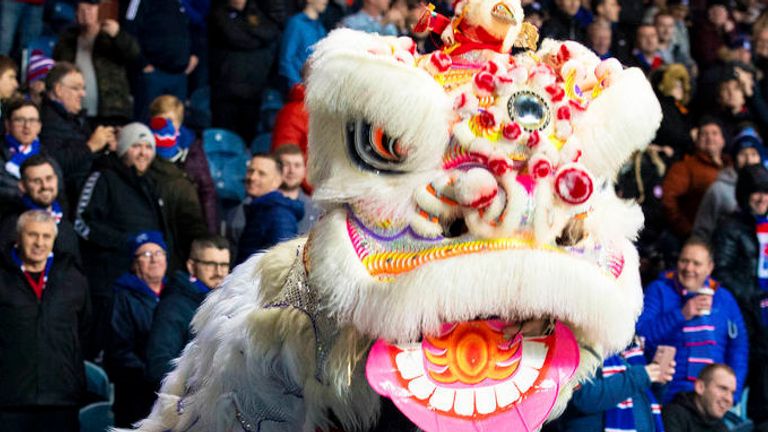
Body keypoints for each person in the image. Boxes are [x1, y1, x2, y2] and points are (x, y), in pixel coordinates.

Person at [75, 122, 170, 359]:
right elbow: (81, 223)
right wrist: (125, 243)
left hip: (141, 288)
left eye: (148, 146)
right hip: (107, 285)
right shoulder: (103, 177)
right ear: (123, 149)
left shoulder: (149, 184)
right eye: (136, 146)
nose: (143, 152)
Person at [0, 210, 89, 432]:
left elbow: (87, 329)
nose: (39, 243)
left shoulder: (73, 277)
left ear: (54, 240)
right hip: (9, 398)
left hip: (62, 397)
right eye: (32, 235)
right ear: (19, 238)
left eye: (46, 236)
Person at [636, 237, 749, 404]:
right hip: (669, 396)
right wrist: (681, 314)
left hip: (712, 400)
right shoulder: (658, 290)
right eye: (684, 261)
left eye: (696, 263)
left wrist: (733, 394)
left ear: (709, 268)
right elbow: (640, 336)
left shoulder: (724, 299)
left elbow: (738, 350)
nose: (689, 268)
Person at [145, 235, 230, 384]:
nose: (219, 272)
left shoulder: (225, 302)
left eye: (224, 265)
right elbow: (159, 364)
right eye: (210, 264)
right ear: (191, 266)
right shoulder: (174, 306)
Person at [106, 231, 168, 427]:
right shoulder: (122, 297)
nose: (154, 260)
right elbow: (119, 351)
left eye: (159, 253)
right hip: (136, 395)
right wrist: (153, 375)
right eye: (146, 255)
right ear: (134, 263)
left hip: (169, 395)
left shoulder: (175, 294)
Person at [53, 0, 141, 125]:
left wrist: (118, 35)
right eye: (81, 10)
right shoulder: (67, 38)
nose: (86, 13)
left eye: (90, 9)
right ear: (76, 13)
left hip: (111, 112)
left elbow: (134, 56)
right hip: (77, 111)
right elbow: (57, 67)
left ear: (99, 10)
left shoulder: (112, 35)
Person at [39, 62, 117, 202]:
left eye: (83, 88)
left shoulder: (74, 118)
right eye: (76, 88)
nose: (83, 94)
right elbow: (54, 163)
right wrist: (91, 146)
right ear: (58, 90)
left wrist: (105, 145)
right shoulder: (45, 121)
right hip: (70, 197)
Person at [558, 337, 673, 431]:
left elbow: (644, 398)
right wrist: (641, 376)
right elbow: (583, 398)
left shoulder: (632, 346)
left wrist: (658, 381)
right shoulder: (580, 344)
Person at [209, 0, 280, 143]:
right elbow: (235, 37)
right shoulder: (218, 13)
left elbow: (270, 32)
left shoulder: (256, 11)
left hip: (253, 89)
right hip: (226, 89)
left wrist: (245, 27)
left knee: (248, 139)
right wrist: (256, 35)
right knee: (225, 138)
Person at [149, 95, 218, 233]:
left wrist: (210, 231)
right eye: (161, 120)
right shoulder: (142, 145)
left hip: (183, 212)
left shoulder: (192, 146)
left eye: (170, 120)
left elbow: (206, 190)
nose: (166, 125)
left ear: (179, 123)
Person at [125, 0, 198, 120]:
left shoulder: (180, 2)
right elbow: (128, 32)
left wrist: (194, 52)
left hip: (179, 76)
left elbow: (191, 27)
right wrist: (142, 63)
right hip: (153, 75)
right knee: (148, 125)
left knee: (175, 128)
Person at [0, 154, 80, 260]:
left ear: (57, 179)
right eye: (36, 181)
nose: (45, 186)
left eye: (49, 178)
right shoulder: (12, 224)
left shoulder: (65, 217)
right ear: (22, 186)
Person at [694, 127, 766, 240]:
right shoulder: (718, 189)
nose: (749, 160)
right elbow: (702, 230)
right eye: (742, 154)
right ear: (734, 159)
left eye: (753, 154)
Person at [662, 117, 728, 239]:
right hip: (698, 237)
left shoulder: (732, 165)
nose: (710, 138)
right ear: (696, 141)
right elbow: (668, 199)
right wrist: (687, 230)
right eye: (704, 134)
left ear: (723, 140)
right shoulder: (685, 167)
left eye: (714, 133)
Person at [234, 154, 303, 264]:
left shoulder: (280, 214)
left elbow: (283, 263)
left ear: (277, 181)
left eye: (261, 174)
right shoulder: (258, 208)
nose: (252, 177)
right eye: (251, 171)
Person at [662, 363, 737, 432]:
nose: (729, 399)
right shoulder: (673, 416)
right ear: (700, 387)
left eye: (732, 393)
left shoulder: (721, 427)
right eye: (722, 388)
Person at [278, 0, 327, 92]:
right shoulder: (296, 23)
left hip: (316, 90)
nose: (325, 1)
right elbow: (286, 60)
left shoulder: (321, 27)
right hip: (300, 92)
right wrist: (298, 86)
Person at [275, 144, 321, 234]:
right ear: (275, 168)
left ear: (304, 170)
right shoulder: (254, 205)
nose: (291, 171)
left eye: (297, 165)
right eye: (286, 165)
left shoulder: (316, 208)